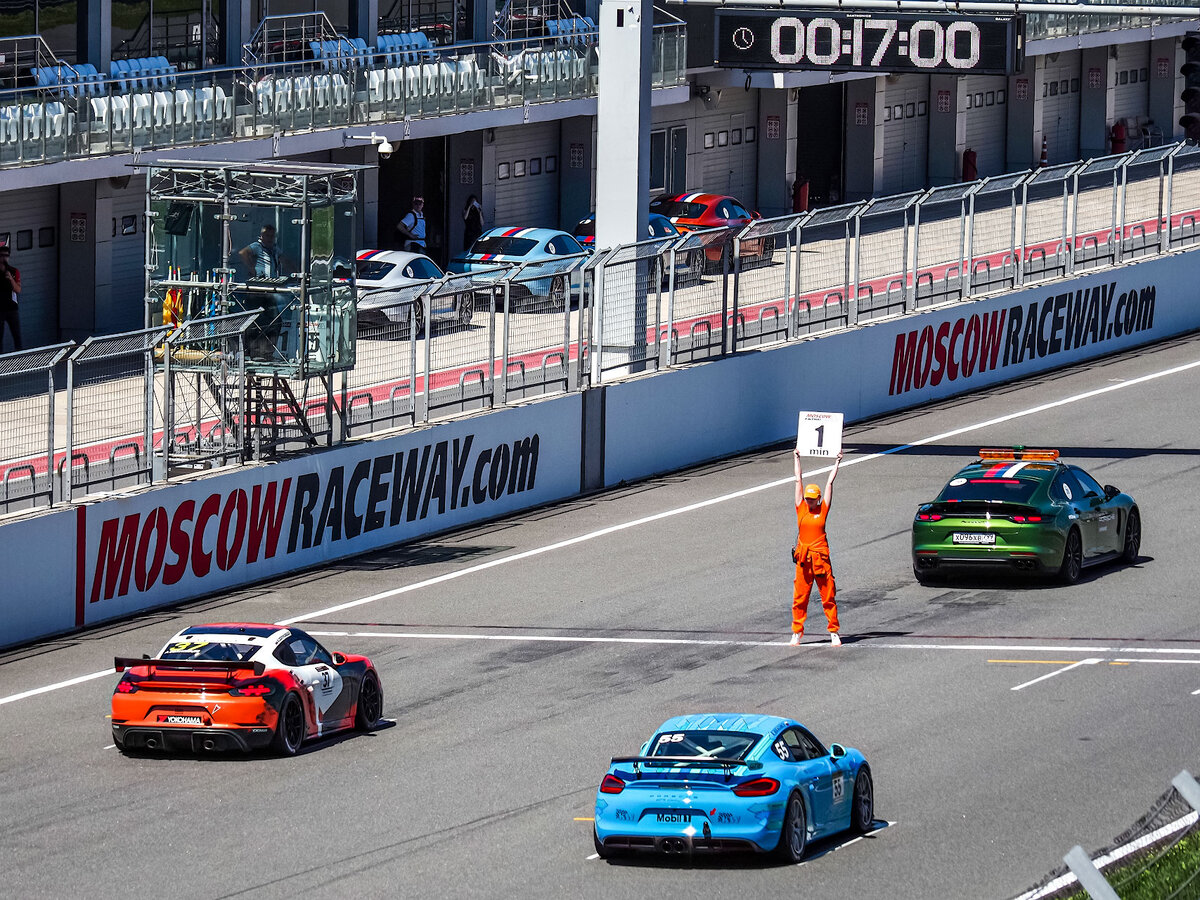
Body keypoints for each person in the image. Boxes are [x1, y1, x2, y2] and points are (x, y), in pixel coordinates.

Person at [790, 448, 843, 647]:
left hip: (820, 560)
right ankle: (797, 631)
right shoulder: (800, 507)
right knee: (799, 598)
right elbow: (798, 479)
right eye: (807, 498)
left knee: (828, 596)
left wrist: (837, 462)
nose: (809, 501)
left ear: (819, 498)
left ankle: (834, 631)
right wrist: (797, 458)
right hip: (803, 560)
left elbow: (830, 482)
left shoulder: (823, 509)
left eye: (812, 498)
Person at [238, 225, 289, 355]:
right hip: (257, 289)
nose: (270, 239)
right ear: (262, 236)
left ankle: (267, 351)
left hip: (269, 289)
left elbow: (285, 261)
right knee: (255, 320)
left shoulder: (274, 249)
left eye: (272, 236)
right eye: (267, 236)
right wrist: (252, 269)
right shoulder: (257, 246)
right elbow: (243, 253)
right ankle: (250, 352)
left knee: (275, 320)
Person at [0, 243, 22, 352]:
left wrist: (10, 278)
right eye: (2, 255)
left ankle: (19, 357)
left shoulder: (13, 271)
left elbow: (18, 290)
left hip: (12, 308)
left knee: (17, 335)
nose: (4, 258)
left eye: (6, 255)